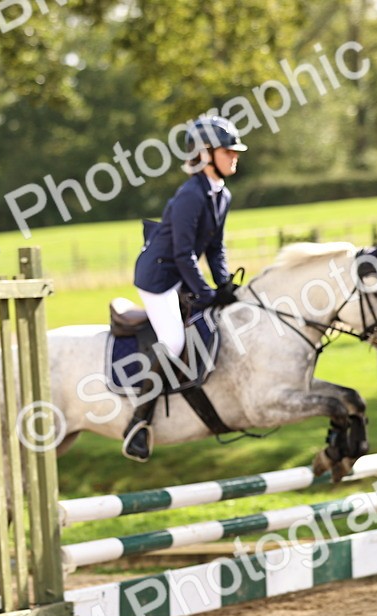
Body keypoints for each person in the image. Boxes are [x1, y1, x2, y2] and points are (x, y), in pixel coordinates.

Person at [121, 116, 246, 461]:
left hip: (181, 273)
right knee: (174, 341)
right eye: (228, 150)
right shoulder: (191, 194)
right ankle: (137, 423)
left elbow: (215, 248)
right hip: (159, 278)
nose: (235, 156)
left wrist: (224, 286)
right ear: (206, 154)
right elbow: (182, 252)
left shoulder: (222, 194)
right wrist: (205, 294)